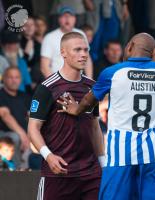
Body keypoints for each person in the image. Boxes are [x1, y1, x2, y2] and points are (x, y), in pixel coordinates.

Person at [57, 14, 155, 200]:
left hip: (121, 153)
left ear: (129, 47)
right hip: (153, 153)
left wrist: (76, 109)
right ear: (151, 55)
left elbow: (89, 101)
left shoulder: (113, 72)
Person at [28, 32, 104, 200]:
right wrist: (48, 156)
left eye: (86, 50)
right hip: (58, 172)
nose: (83, 54)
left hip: (91, 174)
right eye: (77, 50)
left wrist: (103, 163)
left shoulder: (92, 87)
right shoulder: (47, 87)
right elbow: (33, 128)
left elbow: (94, 127)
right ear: (63, 53)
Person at [40, 6, 93, 78]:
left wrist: (89, 81)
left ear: (75, 19)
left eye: (70, 16)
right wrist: (56, 86)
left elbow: (87, 59)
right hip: (57, 81)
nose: (67, 19)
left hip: (77, 81)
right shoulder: (49, 37)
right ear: (59, 19)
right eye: (64, 16)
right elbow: (44, 67)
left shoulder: (81, 34)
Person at [0, 67, 31, 167]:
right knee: (15, 137)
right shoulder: (1, 95)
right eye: (10, 77)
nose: (14, 80)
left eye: (17, 77)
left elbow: (31, 117)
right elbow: (5, 115)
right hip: (4, 134)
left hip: (23, 134)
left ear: (21, 79)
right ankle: (15, 171)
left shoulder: (24, 96)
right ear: (4, 79)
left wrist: (31, 135)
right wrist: (23, 135)